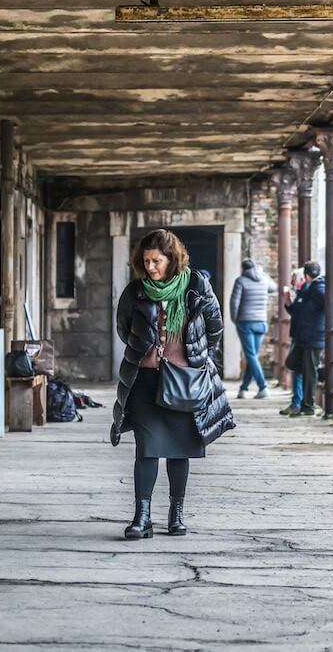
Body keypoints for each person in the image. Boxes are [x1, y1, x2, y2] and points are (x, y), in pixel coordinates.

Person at [111, 229, 235, 539]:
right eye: (146, 261)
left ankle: (175, 513)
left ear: (172, 260)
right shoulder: (136, 292)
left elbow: (215, 329)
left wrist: (195, 359)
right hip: (145, 380)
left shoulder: (196, 287)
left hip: (184, 381)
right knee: (147, 449)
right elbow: (124, 330)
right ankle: (142, 517)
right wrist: (150, 353)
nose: (150, 267)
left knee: (180, 451)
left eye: (156, 261)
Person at [281, 261, 326, 417]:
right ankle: (302, 403)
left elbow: (325, 301)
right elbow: (297, 310)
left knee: (309, 371)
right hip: (304, 336)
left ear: (306, 275)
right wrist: (288, 301)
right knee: (296, 365)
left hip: (312, 336)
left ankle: (307, 405)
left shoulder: (317, 287)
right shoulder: (308, 288)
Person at [229, 258, 276, 399]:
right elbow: (274, 288)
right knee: (253, 355)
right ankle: (243, 389)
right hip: (261, 322)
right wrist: (263, 274)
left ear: (243, 268)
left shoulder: (241, 280)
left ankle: (263, 387)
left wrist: (235, 319)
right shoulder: (264, 279)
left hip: (246, 322)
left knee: (250, 355)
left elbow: (234, 303)